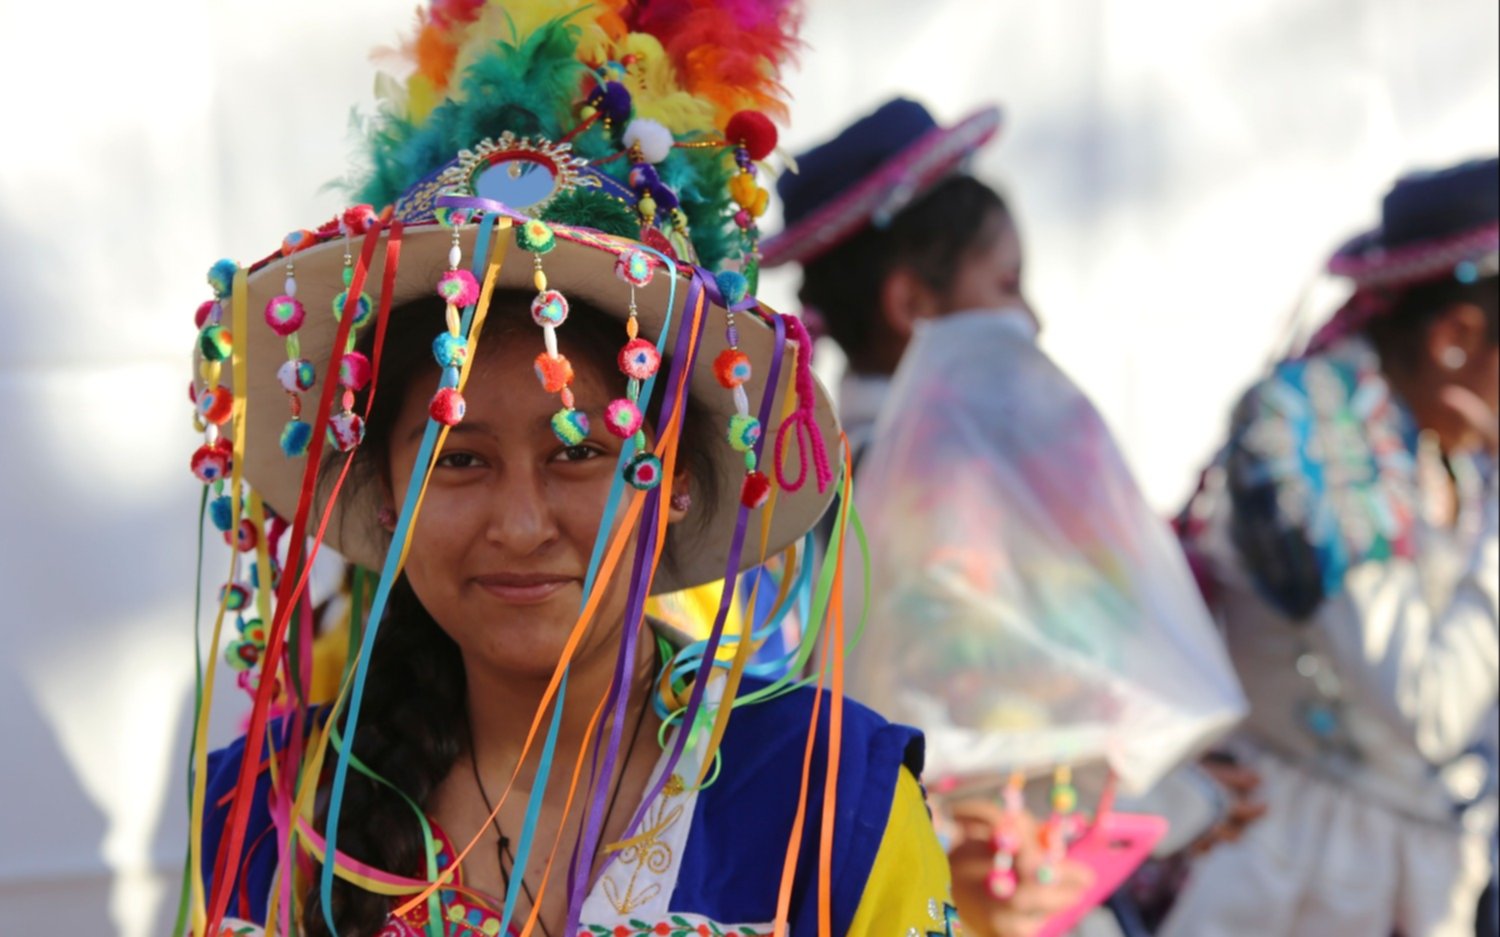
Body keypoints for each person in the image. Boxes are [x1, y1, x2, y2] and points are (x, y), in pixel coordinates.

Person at [183, 5, 958, 936]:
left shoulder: (827, 803)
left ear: (675, 479)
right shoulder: (269, 812)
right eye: (458, 457)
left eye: (581, 452)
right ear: (383, 488)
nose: (519, 524)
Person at [762, 99, 1249, 937]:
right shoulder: (953, 484)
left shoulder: (804, 472)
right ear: (911, 302)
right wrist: (1185, 796)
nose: (1031, 318)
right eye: (1007, 284)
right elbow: (1016, 725)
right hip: (1005, 885)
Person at [1165, 156, 1500, 937]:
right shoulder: (1319, 434)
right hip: (1296, 884)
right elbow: (1432, 706)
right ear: (1455, 337)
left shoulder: (1451, 442)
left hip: (1404, 875)